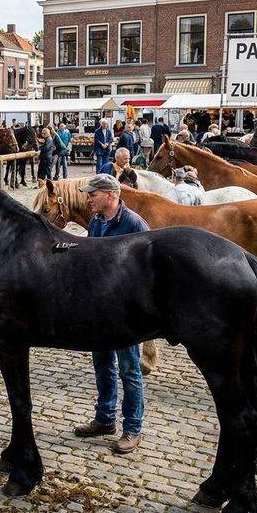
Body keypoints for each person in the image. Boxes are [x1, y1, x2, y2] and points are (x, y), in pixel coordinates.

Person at [74, 174, 148, 454]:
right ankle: (105, 419)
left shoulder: (134, 224)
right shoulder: (95, 222)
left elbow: (145, 271)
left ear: (109, 194)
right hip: (100, 309)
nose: (89, 198)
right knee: (102, 365)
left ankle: (133, 427)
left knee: (129, 370)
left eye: (93, 194)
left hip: (125, 313)